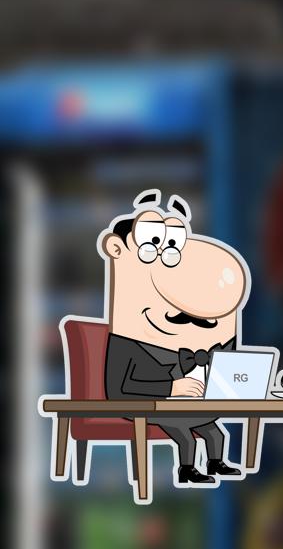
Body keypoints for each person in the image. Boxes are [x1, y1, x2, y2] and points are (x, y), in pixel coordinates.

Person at [99, 190, 247, 485]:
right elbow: (120, 388)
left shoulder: (166, 342)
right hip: (136, 401)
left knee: (213, 429)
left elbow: (178, 364)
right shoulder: (125, 342)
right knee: (183, 427)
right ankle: (187, 468)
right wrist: (172, 386)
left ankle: (216, 462)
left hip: (170, 399)